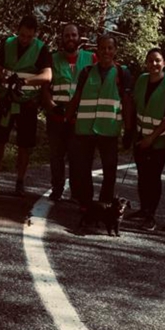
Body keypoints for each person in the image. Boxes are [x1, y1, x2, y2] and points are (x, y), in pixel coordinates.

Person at [0, 15, 52, 196]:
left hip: (28, 103)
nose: (25, 39)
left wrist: (25, 81)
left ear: (35, 34)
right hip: (7, 100)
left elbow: (47, 76)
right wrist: (2, 78)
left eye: (29, 36)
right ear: (17, 31)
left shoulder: (42, 49)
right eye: (22, 35)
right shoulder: (8, 43)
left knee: (24, 144)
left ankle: (20, 181)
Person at [66, 33, 134, 208]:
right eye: (102, 48)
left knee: (109, 169)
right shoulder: (87, 71)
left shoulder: (122, 73)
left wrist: (129, 129)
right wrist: (67, 119)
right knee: (83, 168)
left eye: (110, 48)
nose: (106, 51)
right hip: (85, 129)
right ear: (97, 50)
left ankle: (105, 203)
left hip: (109, 129)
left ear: (115, 51)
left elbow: (126, 102)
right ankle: (86, 203)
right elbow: (77, 97)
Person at [124, 48, 165, 230]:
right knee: (142, 175)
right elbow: (134, 105)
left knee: (152, 177)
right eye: (150, 61)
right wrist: (131, 131)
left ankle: (151, 216)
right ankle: (143, 209)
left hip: (160, 140)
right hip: (141, 136)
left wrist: (152, 138)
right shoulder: (142, 80)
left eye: (157, 60)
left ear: (164, 63)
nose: (153, 64)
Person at [41, 23, 96, 202]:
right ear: (62, 39)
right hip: (57, 116)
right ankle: (57, 188)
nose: (70, 39)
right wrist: (50, 105)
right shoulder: (52, 59)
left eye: (73, 35)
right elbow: (45, 87)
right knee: (56, 156)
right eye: (67, 36)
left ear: (79, 37)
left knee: (77, 157)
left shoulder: (91, 58)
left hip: (80, 118)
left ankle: (75, 192)